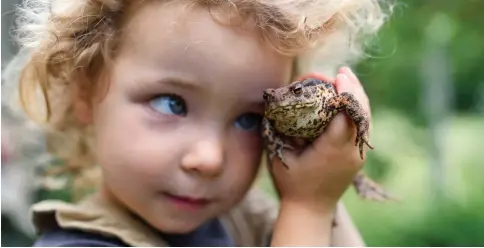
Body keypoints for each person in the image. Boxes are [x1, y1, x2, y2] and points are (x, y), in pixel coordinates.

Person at [8, 0, 393, 246]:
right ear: (84, 92)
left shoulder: (246, 222)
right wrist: (307, 210)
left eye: (249, 119)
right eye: (171, 103)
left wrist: (320, 192)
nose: (209, 159)